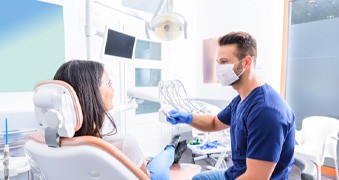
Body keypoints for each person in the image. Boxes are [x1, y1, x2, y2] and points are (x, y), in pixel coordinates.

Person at [166, 31, 295, 180]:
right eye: (218, 62)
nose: (219, 68)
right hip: (237, 173)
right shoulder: (241, 99)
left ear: (246, 62)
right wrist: (187, 118)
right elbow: (214, 123)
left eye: (224, 61)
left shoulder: (266, 112)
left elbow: (255, 178)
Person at [53, 60, 187, 180]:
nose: (113, 89)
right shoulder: (124, 143)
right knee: (161, 161)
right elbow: (145, 177)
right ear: (92, 93)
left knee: (149, 159)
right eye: (109, 84)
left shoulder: (52, 144)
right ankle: (171, 149)